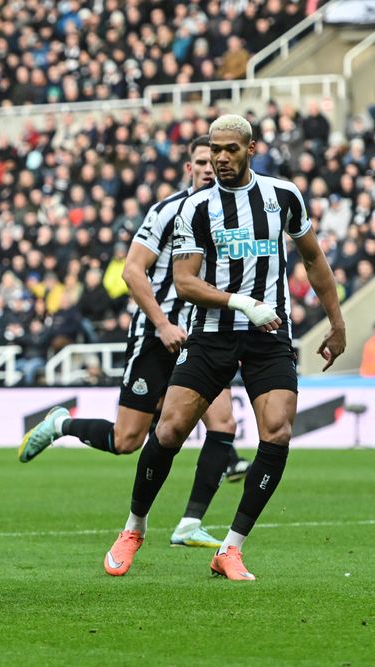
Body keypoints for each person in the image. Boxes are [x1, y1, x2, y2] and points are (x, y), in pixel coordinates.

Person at [102, 115, 345, 581]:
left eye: (230, 149)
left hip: (268, 335)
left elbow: (314, 257)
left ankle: (231, 549)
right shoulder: (196, 208)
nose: (220, 157)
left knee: (277, 430)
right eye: (214, 149)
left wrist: (336, 325)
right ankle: (134, 527)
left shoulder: (282, 196)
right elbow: (185, 282)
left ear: (251, 149)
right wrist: (242, 303)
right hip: (212, 333)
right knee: (170, 430)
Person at [20, 136, 250, 549]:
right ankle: (61, 424)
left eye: (213, 161)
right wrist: (161, 323)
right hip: (155, 336)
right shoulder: (166, 212)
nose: (207, 167)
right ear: (189, 167)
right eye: (199, 161)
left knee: (224, 424)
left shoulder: (234, 214)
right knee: (128, 440)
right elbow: (131, 271)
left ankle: (189, 523)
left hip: (203, 337)